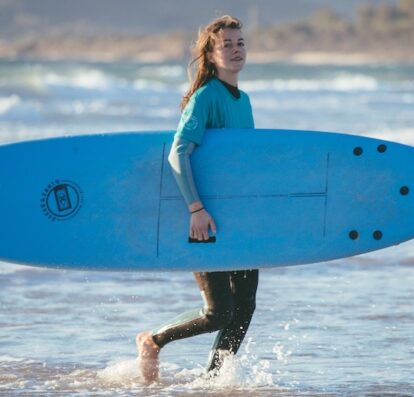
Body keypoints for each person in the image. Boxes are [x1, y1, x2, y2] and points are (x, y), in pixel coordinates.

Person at [135, 15, 258, 383]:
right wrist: (196, 209)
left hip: (235, 219)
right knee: (219, 312)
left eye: (240, 43)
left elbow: (238, 163)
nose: (236, 51)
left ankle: (212, 381)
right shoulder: (206, 98)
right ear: (210, 53)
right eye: (227, 45)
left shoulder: (244, 99)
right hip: (206, 218)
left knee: (245, 308)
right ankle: (153, 340)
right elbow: (178, 152)